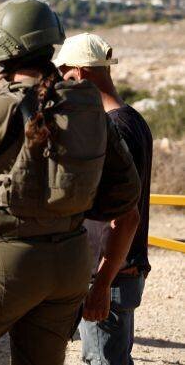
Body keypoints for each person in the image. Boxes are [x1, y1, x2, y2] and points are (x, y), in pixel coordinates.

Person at [0, 0, 141, 365]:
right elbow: (126, 192)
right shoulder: (84, 103)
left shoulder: (1, 103)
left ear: (1, 47)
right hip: (69, 260)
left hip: (3, 259)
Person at [55, 33, 153, 365]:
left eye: (66, 74)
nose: (62, 82)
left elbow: (126, 218)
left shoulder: (114, 128)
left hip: (109, 274)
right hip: (120, 271)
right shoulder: (132, 118)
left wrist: (100, 283)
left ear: (81, 72)